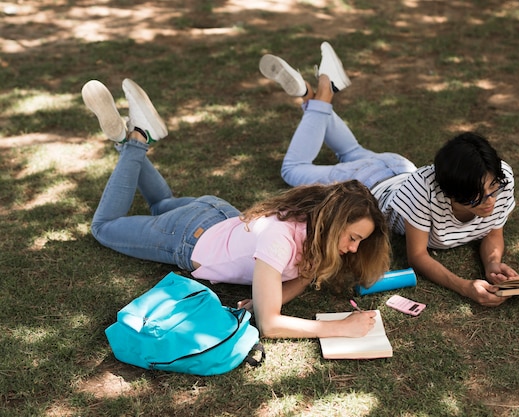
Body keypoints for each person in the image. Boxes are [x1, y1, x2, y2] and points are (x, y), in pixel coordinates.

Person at [81, 78, 391, 339]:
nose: (353, 249)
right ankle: (136, 139)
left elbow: (302, 277)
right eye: (353, 237)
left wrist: (263, 299)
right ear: (335, 223)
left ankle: (126, 137)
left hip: (216, 217)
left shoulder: (314, 228)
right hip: (189, 236)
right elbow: (270, 325)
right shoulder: (281, 240)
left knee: (161, 205)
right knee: (105, 226)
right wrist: (339, 327)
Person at [258, 42, 519, 307]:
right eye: (476, 198)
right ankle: (323, 91)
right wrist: (465, 286)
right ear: (449, 192)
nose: (489, 201)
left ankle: (311, 97)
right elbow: (418, 256)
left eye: (492, 190)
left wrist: (493, 264)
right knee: (293, 169)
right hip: (370, 182)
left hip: (397, 168)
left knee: (352, 150)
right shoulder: (424, 192)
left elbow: (492, 229)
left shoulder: (499, 177)